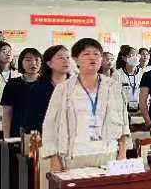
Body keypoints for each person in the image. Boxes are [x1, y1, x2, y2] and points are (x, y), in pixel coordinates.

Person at [42, 38, 129, 171]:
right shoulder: (63, 89)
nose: (92, 57)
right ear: (76, 60)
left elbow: (124, 124)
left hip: (108, 154)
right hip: (75, 155)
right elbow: (50, 126)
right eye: (86, 54)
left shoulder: (114, 87)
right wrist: (54, 158)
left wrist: (122, 154)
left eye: (96, 54)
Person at [23, 45, 70, 133]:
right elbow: (31, 121)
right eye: (61, 58)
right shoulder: (38, 88)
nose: (66, 60)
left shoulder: (77, 85)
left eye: (68, 57)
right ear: (49, 63)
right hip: (46, 136)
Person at [0, 48, 42, 137]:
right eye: (28, 60)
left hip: (42, 134)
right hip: (18, 133)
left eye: (37, 60)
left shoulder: (48, 84)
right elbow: (7, 113)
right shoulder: (12, 84)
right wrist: (6, 137)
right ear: (21, 63)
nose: (33, 63)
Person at [113, 45, 144, 112]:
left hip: (140, 110)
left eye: (136, 55)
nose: (135, 57)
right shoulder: (117, 74)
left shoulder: (143, 73)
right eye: (132, 55)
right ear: (124, 58)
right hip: (123, 110)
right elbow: (114, 96)